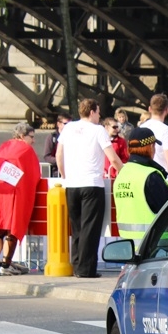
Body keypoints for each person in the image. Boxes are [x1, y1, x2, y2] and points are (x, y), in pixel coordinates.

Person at [56, 97, 123, 278]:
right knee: (90, 229)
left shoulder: (68, 127)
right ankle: (86, 269)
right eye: (99, 112)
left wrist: (64, 174)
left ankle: (77, 265)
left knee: (77, 227)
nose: (99, 115)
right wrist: (123, 171)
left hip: (72, 184)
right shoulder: (98, 130)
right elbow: (113, 157)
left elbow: (59, 153)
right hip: (92, 183)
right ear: (92, 112)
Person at [0, 121, 41, 275]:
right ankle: (5, 265)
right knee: (12, 229)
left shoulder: (3, 146)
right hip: (17, 193)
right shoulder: (26, 149)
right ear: (23, 136)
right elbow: (35, 174)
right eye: (31, 137)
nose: (33, 140)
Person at [112, 127, 168, 246]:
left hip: (128, 248)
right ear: (151, 147)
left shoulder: (122, 174)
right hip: (154, 248)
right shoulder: (151, 176)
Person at [142, 94, 168, 187]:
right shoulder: (166, 131)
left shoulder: (141, 128)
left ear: (149, 109)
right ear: (167, 110)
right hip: (166, 182)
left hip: (145, 180)